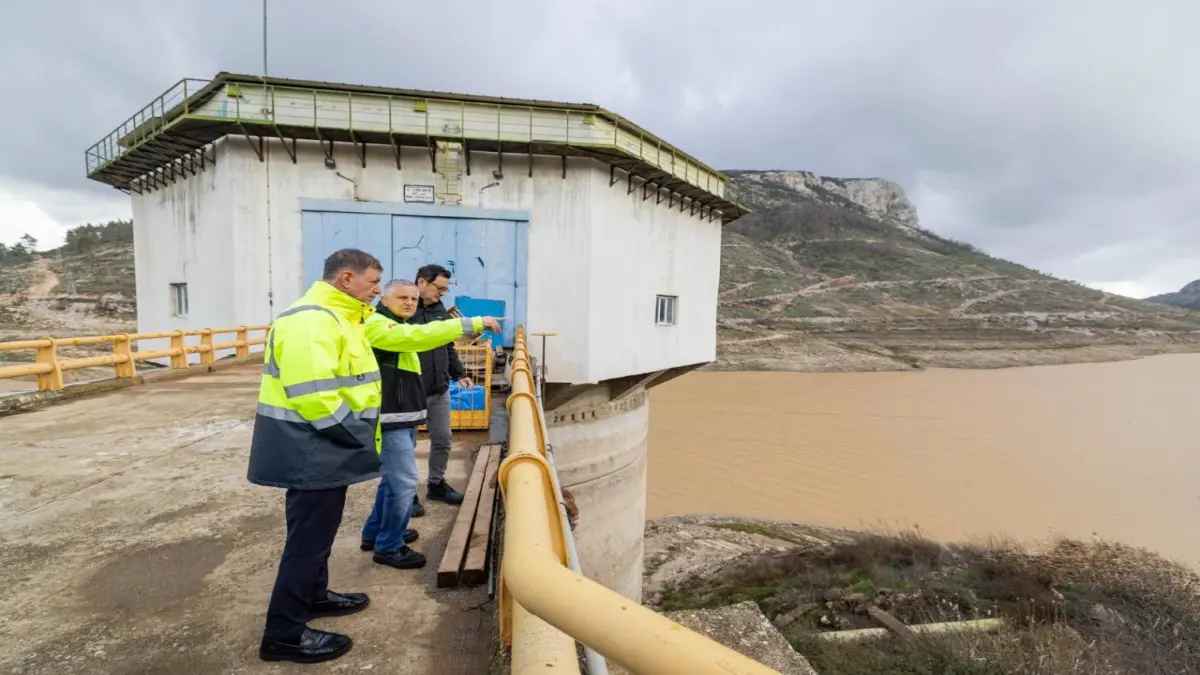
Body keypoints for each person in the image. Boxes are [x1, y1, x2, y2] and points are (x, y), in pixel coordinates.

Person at [249, 249, 497, 664]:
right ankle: (284, 634)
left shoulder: (347, 317)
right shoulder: (311, 321)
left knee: (319, 536)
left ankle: (313, 595)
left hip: (324, 445)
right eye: (373, 283)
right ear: (346, 279)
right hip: (313, 446)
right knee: (306, 542)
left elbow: (406, 340)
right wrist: (357, 437)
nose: (377, 291)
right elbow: (315, 398)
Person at [360, 279, 486, 570]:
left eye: (413, 299)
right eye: (402, 298)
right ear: (385, 300)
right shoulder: (380, 325)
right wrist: (470, 323)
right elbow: (419, 337)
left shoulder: (396, 324)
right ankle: (389, 545)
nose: (409, 303)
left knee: (392, 480)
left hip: (401, 414)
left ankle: (376, 532)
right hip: (390, 416)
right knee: (404, 483)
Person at [408, 263, 474, 516]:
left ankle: (436, 484)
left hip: (439, 388)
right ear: (421, 282)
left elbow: (448, 346)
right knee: (406, 446)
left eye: (445, 289)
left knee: (443, 439)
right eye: (440, 288)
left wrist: (460, 374)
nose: (442, 293)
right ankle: (407, 493)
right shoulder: (403, 310)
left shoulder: (439, 310)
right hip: (410, 390)